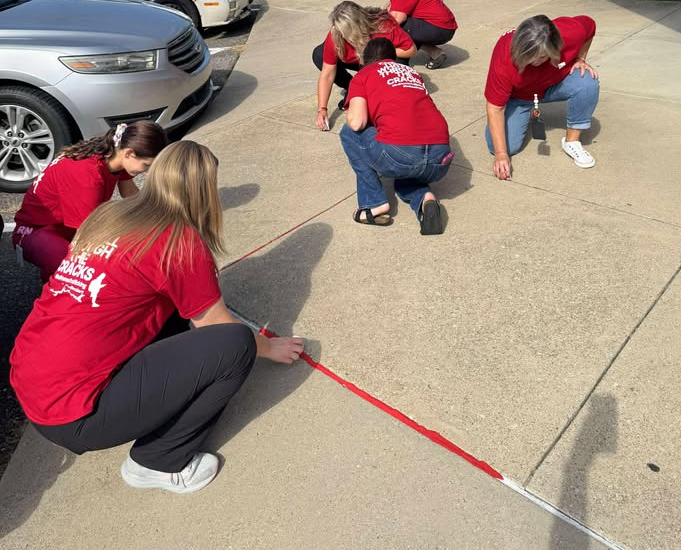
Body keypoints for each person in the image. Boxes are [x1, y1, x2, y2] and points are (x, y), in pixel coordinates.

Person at [10, 140, 304, 495]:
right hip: (74, 414)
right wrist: (269, 348)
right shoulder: (178, 241)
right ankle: (157, 461)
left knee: (177, 316)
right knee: (235, 343)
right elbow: (216, 324)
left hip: (32, 380)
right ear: (204, 191)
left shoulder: (108, 217)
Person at [13, 121, 168, 281]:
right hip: (34, 231)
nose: (146, 171)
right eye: (146, 165)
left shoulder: (113, 155)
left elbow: (130, 193)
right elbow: (89, 234)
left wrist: (157, 219)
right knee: (74, 263)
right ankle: (56, 293)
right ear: (129, 153)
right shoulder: (87, 176)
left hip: (67, 226)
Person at [339, 37, 454, 234]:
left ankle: (373, 204)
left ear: (364, 61)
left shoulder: (364, 74)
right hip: (440, 159)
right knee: (406, 169)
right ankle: (425, 199)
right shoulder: (412, 73)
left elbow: (357, 122)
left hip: (401, 155)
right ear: (393, 58)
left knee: (349, 132)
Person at [485, 14, 599, 179]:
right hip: (520, 96)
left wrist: (581, 58)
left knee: (587, 81)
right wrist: (501, 154)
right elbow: (495, 108)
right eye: (528, 57)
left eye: (542, 56)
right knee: (500, 147)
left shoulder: (571, 31)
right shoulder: (504, 56)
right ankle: (520, 114)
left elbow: (590, 26)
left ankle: (572, 142)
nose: (534, 62)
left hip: (554, 84)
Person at [312, 1, 416, 131]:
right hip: (360, 61)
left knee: (398, 65)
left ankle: (384, 98)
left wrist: (381, 53)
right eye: (341, 32)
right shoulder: (336, 35)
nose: (344, 37)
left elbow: (411, 50)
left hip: (379, 61)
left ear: (359, 24)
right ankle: (353, 89)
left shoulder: (383, 26)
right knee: (319, 55)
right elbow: (327, 74)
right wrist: (322, 109)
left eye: (347, 32)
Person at [367, 0, 457, 70]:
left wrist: (373, 33)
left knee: (398, 28)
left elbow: (396, 19)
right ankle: (436, 53)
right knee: (408, 26)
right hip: (443, 26)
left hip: (440, 28)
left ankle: (401, 65)